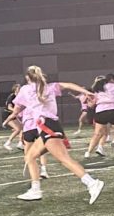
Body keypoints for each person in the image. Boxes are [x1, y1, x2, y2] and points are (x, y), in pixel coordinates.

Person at [12, 65, 105, 204]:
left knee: (64, 159)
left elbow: (17, 107)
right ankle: (35, 189)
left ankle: (92, 183)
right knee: (30, 157)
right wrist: (86, 92)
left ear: (27, 77)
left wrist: (16, 113)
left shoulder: (25, 89)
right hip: (47, 125)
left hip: (46, 126)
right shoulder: (49, 87)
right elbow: (68, 85)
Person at [87, 73, 114, 156]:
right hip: (113, 110)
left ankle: (88, 152)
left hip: (100, 111)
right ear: (112, 79)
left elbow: (91, 105)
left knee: (97, 133)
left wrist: (89, 103)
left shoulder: (98, 88)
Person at [2, 84, 22, 151]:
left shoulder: (19, 96)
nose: (20, 89)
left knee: (22, 128)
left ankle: (20, 143)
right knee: (17, 129)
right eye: (18, 88)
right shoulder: (12, 96)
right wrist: (16, 110)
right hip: (7, 114)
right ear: (15, 90)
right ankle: (7, 143)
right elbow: (9, 107)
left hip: (13, 114)